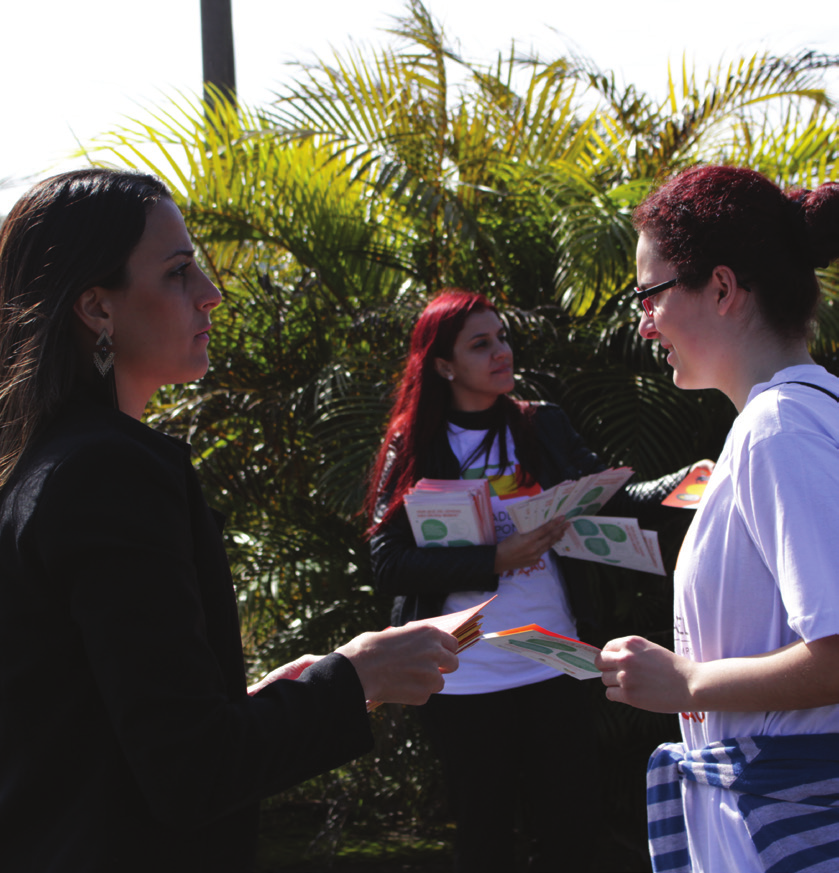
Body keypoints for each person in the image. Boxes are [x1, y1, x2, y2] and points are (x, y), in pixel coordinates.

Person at [0, 168, 459, 873]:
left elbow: (89, 723)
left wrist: (264, 701)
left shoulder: (39, 467)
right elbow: (192, 769)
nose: (211, 293)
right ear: (97, 307)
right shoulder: (108, 472)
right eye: (179, 272)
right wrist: (358, 676)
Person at [366, 289, 688, 872]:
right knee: (484, 840)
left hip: (554, 664)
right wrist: (495, 558)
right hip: (462, 678)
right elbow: (387, 562)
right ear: (443, 365)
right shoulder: (414, 443)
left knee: (571, 835)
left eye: (503, 337)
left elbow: (607, 496)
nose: (501, 352)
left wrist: (689, 482)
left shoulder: (542, 425)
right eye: (480, 344)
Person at [595, 165, 839, 872]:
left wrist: (687, 682)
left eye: (649, 293)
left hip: (788, 826)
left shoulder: (779, 428)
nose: (642, 322)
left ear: (723, 289)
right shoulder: (804, 417)